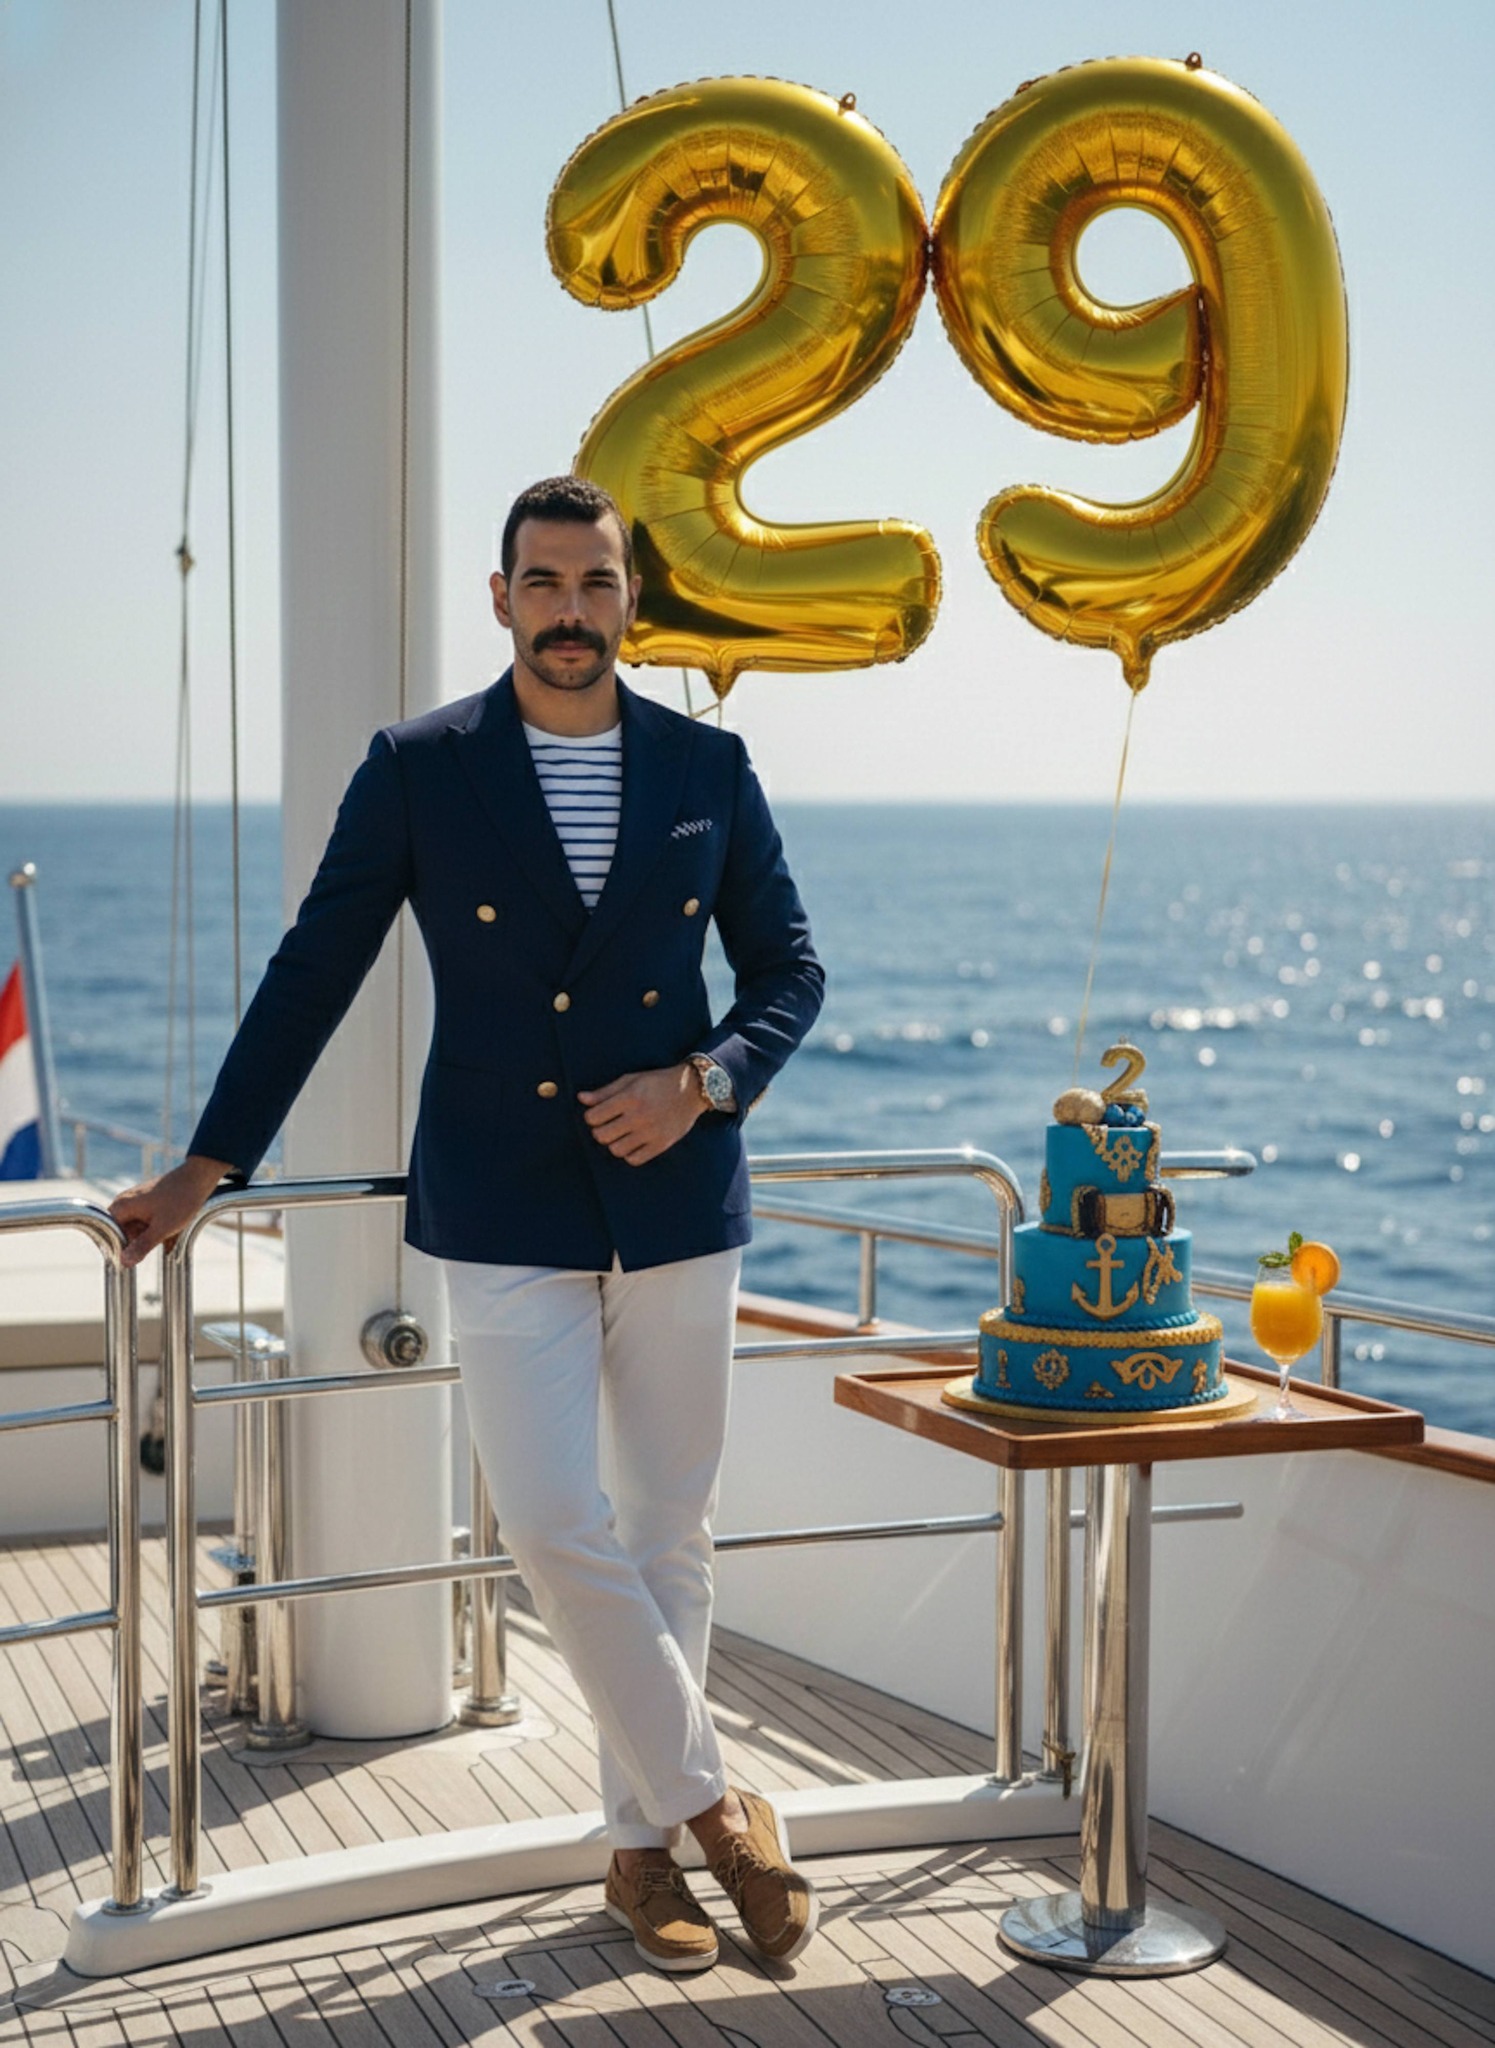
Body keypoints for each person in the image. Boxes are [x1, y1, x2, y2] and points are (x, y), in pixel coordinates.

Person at [111, 475, 826, 1973]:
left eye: (598, 584)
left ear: (634, 600)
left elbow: (790, 976)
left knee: (670, 1533)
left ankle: (642, 1860)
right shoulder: (421, 766)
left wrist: (703, 1082)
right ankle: (720, 1815)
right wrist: (210, 1163)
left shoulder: (711, 761)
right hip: (503, 1202)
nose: (573, 612)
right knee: (558, 1525)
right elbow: (315, 968)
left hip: (681, 1203)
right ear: (499, 598)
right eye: (545, 584)